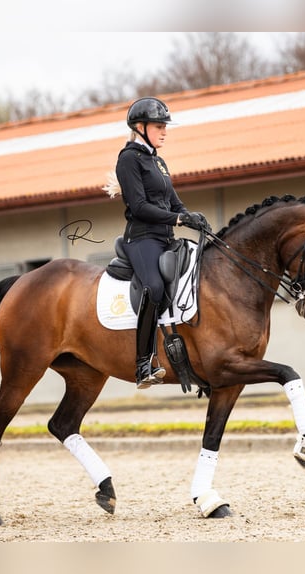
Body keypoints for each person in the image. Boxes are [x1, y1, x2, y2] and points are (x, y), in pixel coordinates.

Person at [110, 97, 207, 389]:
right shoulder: (127, 159)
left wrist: (190, 216)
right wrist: (176, 220)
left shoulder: (158, 161)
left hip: (166, 238)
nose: (165, 131)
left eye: (165, 126)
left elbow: (173, 200)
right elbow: (139, 207)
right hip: (142, 238)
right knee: (154, 287)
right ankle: (142, 364)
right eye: (159, 126)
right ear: (140, 127)